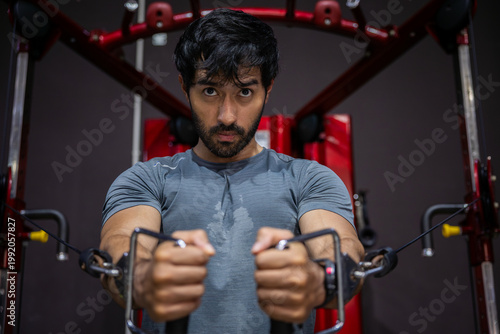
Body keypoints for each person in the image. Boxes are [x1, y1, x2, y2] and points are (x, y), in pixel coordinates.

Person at [100, 8, 364, 334]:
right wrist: (142, 279)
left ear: (268, 89)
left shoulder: (309, 179)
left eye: (244, 92)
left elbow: (340, 250)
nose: (227, 116)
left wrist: (317, 280)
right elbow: (121, 244)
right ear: (185, 87)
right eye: (210, 91)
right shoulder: (146, 179)